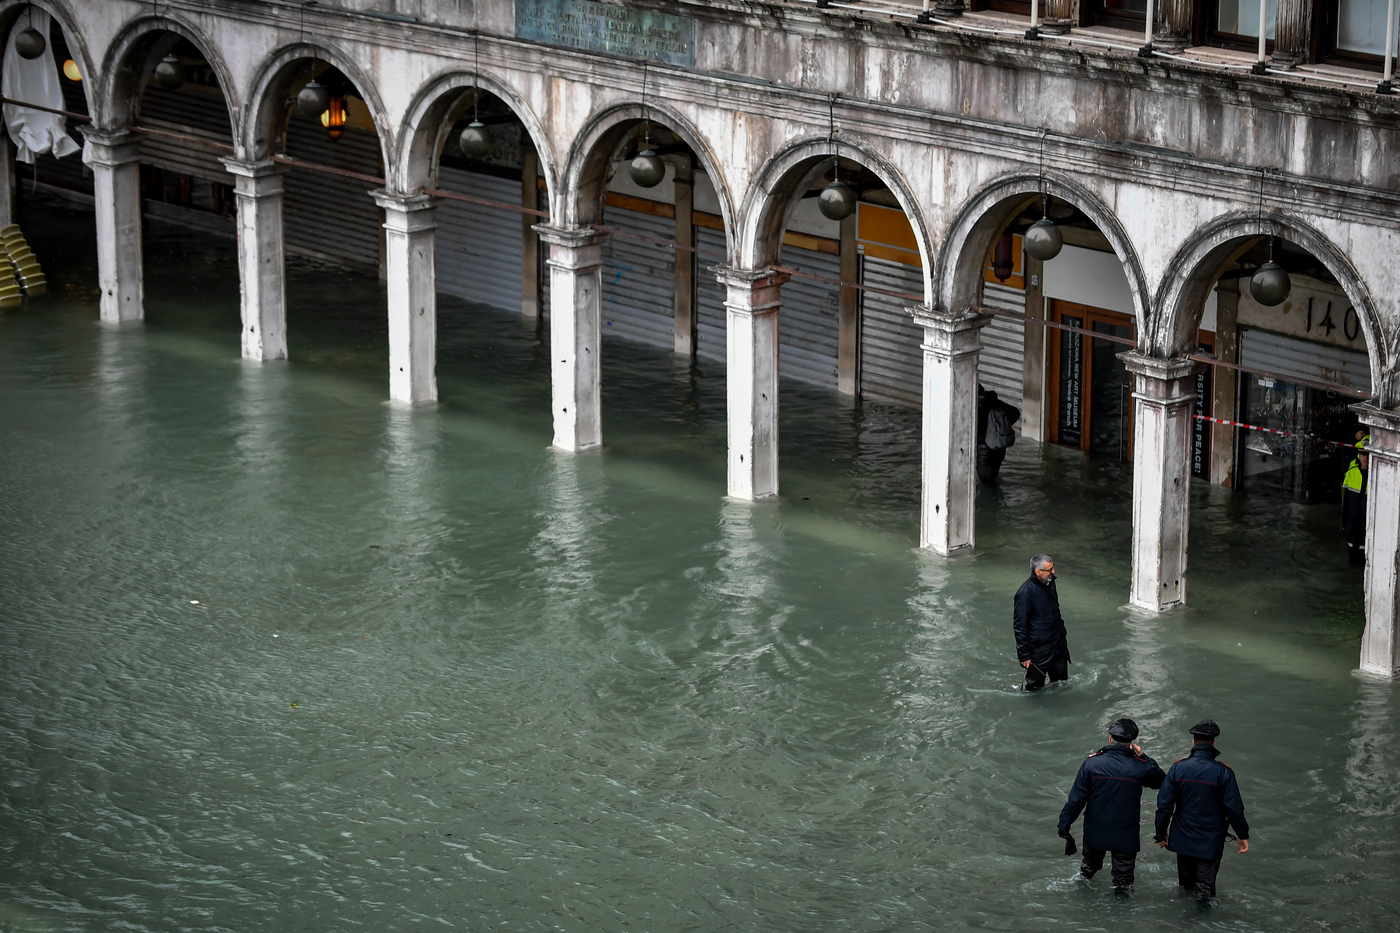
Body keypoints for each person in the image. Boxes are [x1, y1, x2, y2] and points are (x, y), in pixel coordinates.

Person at [1057, 718, 1166, 890]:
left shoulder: (1091, 763)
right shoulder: (1140, 767)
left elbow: (1076, 799)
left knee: (1087, 872)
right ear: (1131, 743)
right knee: (1123, 882)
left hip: (1095, 829)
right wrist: (1143, 756)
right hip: (1125, 832)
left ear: (1110, 739)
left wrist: (1064, 825)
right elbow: (1161, 781)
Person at [1154, 719, 1250, 902]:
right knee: (1205, 892)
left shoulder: (1178, 768)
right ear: (1213, 743)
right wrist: (1242, 834)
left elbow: (1164, 805)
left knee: (1185, 887)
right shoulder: (1224, 773)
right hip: (1210, 839)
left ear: (1193, 742)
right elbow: (1234, 809)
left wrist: (1161, 834)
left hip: (1182, 836)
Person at [1013, 554, 1070, 690]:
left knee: (1061, 682)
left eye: (1053, 568)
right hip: (1038, 649)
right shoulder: (1025, 593)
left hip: (1057, 643)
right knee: (1034, 688)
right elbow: (1020, 625)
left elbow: (1056, 609)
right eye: (1049, 570)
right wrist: (1024, 655)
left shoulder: (1050, 583)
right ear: (1038, 572)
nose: (1053, 572)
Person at [976, 384, 1022, 484]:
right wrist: (1000, 428)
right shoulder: (994, 402)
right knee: (993, 479)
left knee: (987, 485)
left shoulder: (971, 406)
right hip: (999, 447)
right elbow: (1015, 413)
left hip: (983, 454)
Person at [1342, 435, 1369, 566]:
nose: (1366, 458)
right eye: (1363, 454)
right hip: (1352, 524)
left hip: (1367, 526)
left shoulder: (1379, 474)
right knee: (1352, 558)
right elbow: (1345, 501)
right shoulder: (1351, 472)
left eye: (1368, 455)